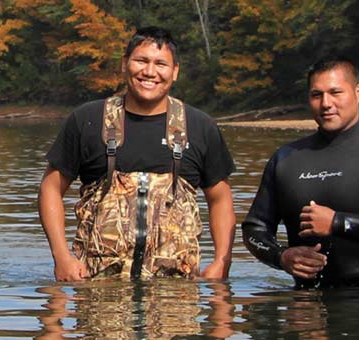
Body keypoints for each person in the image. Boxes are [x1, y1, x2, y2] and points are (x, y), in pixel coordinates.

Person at [38, 26, 237, 282]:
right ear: (125, 64)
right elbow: (50, 188)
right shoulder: (87, 119)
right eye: (141, 61)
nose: (149, 72)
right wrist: (62, 257)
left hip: (177, 291)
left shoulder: (199, 126)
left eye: (160, 64)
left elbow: (220, 198)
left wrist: (222, 261)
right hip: (96, 285)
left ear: (175, 71)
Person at [241, 57, 359, 289]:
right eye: (316, 95)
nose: (326, 103)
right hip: (304, 307)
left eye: (335, 92)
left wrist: (338, 223)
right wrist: (281, 257)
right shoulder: (286, 158)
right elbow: (254, 230)